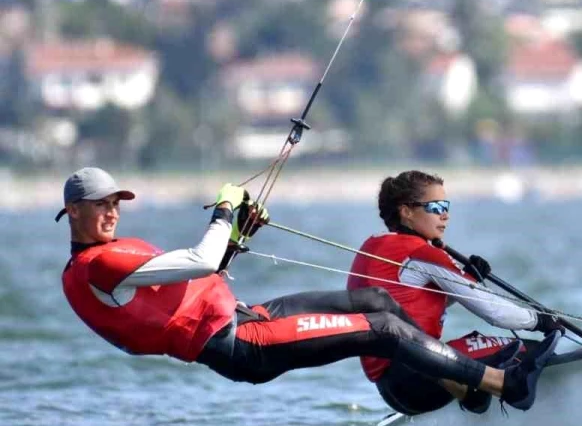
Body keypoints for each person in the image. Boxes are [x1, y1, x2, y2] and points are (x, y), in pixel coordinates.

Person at [58, 166, 557, 411]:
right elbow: (201, 258)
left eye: (116, 202)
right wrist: (225, 210)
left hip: (244, 314)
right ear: (73, 211)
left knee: (375, 302)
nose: (112, 212)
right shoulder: (97, 266)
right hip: (238, 345)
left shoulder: (112, 256)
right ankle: (503, 384)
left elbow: (208, 270)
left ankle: (450, 381)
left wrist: (240, 232)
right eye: (100, 205)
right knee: (382, 328)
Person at [348, 170, 563, 416]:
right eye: (436, 207)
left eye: (446, 205)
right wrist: (540, 320)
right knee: (532, 350)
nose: (446, 215)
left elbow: (416, 302)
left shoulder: (372, 246)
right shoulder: (420, 252)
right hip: (421, 374)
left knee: (497, 352)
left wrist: (469, 276)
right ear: (406, 211)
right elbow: (493, 312)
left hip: (392, 388)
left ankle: (474, 397)